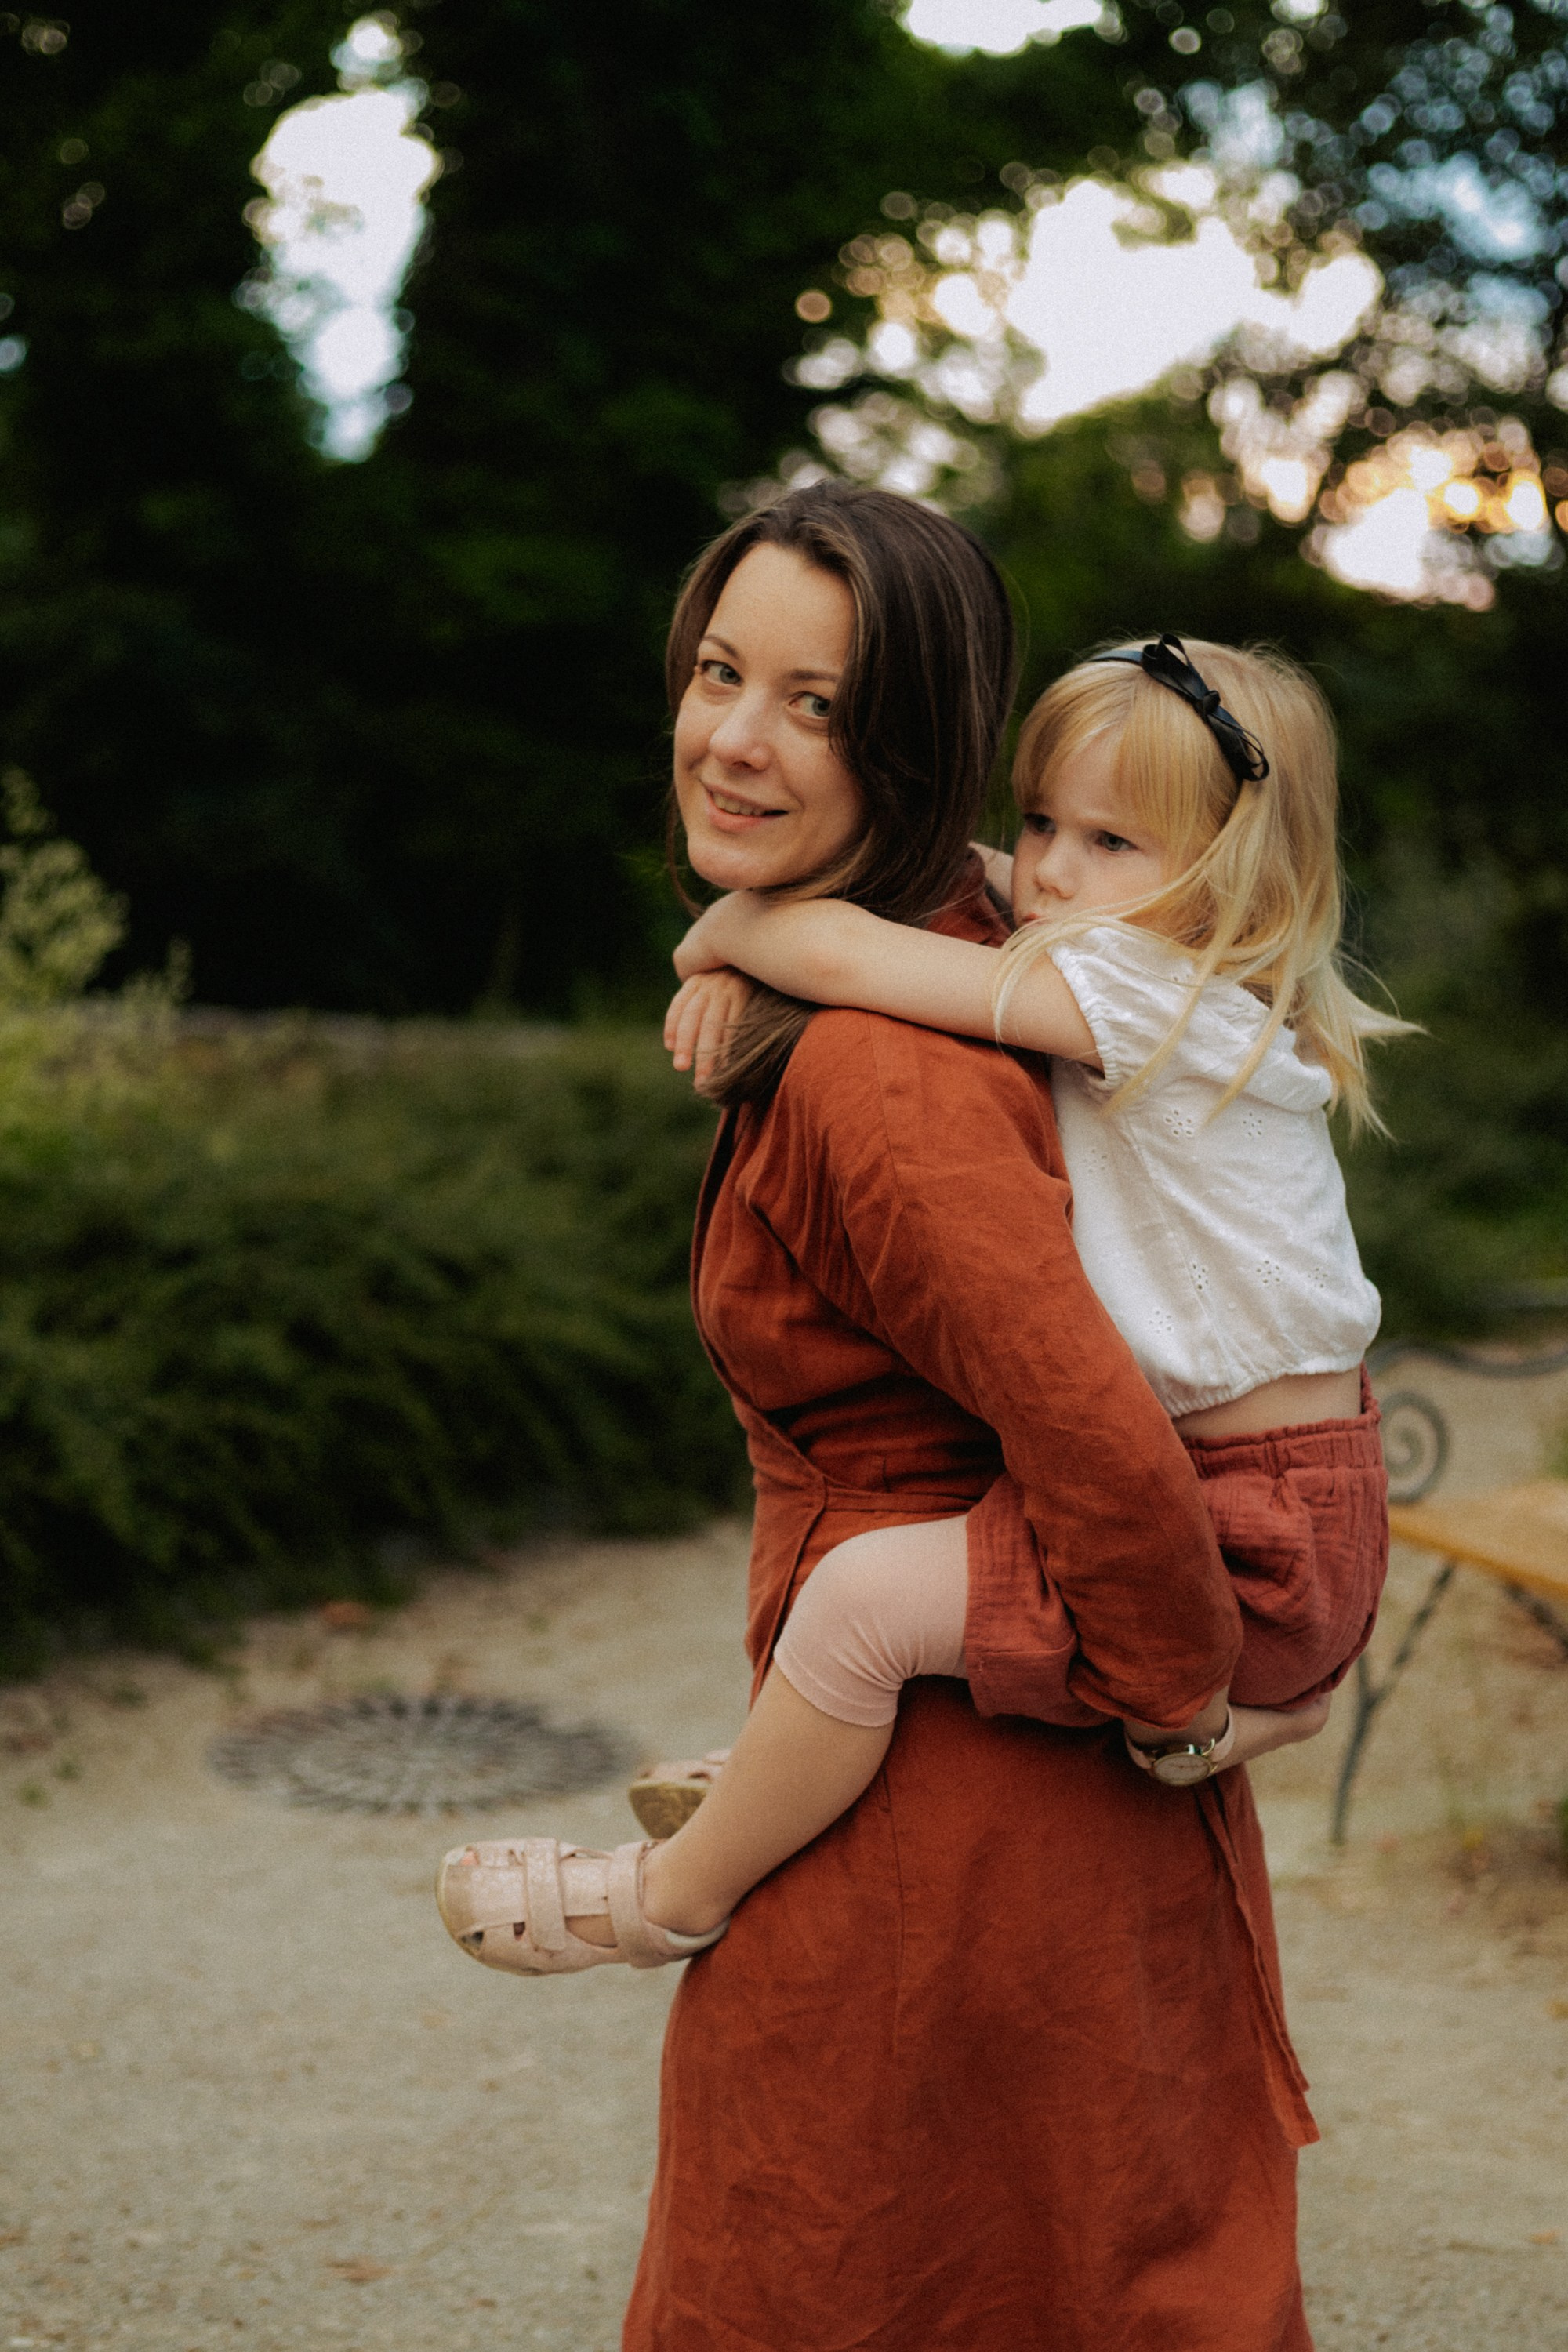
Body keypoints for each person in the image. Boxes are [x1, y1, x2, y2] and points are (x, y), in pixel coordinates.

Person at [437, 485, 1323, 2351]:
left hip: (970, 1823)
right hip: (977, 1773)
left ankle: (659, 1897)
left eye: (819, 705)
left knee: (839, 2276)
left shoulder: (885, 1073)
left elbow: (1098, 1440)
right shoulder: (975, 954)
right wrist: (740, 943)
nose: (735, 738)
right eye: (719, 673)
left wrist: (1187, 1695)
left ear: (912, 740)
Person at [624, 633, 1403, 1877]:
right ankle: (1235, 1722)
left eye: (1109, 840)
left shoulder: (1148, 990)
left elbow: (843, 954)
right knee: (930, 1597)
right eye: (1039, 820)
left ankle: (671, 1892)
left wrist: (722, 933)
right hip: (1288, 1506)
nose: (1046, 871)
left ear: (1233, 880)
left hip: (1251, 1533)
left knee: (862, 1605)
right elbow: (963, 872)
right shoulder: (1152, 956)